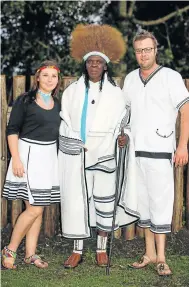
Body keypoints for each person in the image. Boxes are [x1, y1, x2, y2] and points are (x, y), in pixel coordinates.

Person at [59, 24, 139, 269]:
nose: (94, 66)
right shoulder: (72, 91)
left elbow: (124, 123)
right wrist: (75, 144)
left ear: (105, 65)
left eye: (98, 62)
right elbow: (65, 121)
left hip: (106, 155)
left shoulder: (117, 93)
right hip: (80, 155)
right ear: (86, 64)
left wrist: (123, 138)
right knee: (79, 201)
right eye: (90, 62)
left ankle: (101, 248)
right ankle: (77, 249)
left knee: (104, 202)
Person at [122, 29, 189, 276]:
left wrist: (182, 146)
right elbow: (126, 115)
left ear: (155, 50)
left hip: (161, 150)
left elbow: (186, 111)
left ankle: (162, 257)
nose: (143, 54)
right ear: (135, 52)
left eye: (147, 49)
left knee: (161, 204)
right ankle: (149, 254)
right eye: (139, 50)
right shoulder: (130, 79)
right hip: (136, 152)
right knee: (144, 204)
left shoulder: (171, 77)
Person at [1, 60, 61, 270]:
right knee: (34, 208)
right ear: (37, 77)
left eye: (53, 76)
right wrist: (16, 158)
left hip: (48, 157)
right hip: (28, 156)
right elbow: (12, 130)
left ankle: (30, 254)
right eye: (45, 75)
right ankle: (10, 249)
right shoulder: (25, 100)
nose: (49, 79)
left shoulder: (58, 104)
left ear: (57, 79)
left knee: (38, 208)